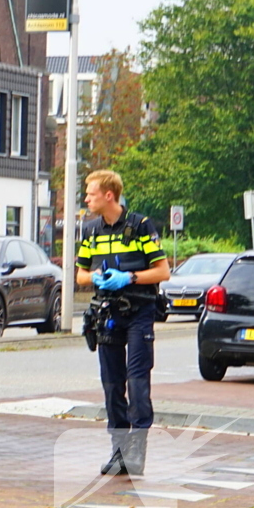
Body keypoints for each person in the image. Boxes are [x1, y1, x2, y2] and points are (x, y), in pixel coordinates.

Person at [75, 170, 170, 476]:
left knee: (137, 381)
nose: (86, 199)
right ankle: (118, 452)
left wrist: (128, 277)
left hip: (139, 311)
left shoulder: (140, 226)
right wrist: (95, 277)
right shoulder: (91, 230)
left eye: (90, 194)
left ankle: (137, 453)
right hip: (108, 314)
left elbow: (163, 271)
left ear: (109, 195)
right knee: (112, 384)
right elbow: (80, 275)